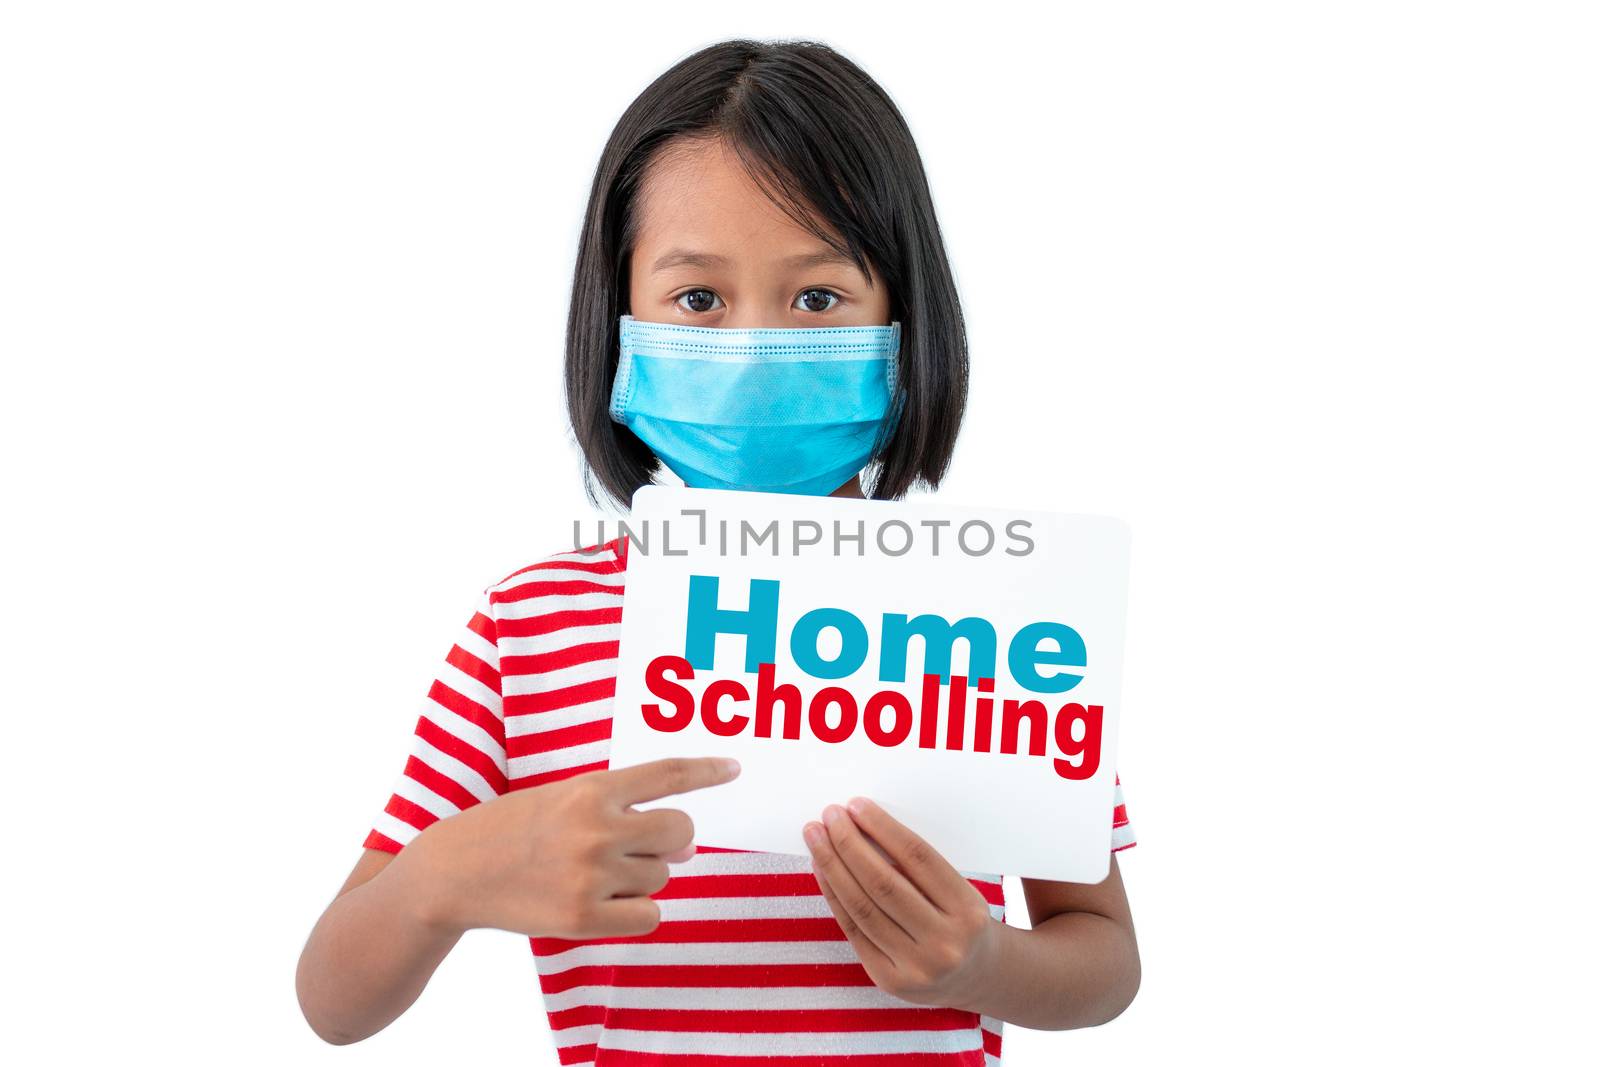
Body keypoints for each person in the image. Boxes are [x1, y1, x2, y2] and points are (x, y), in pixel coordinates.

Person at [296, 37, 1140, 1064]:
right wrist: (446, 876)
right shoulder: (529, 629)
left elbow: (1101, 954)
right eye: (697, 299)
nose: (752, 351)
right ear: (618, 319)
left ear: (903, 321)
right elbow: (334, 1000)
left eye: (817, 298)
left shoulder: (988, 614)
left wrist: (978, 963)